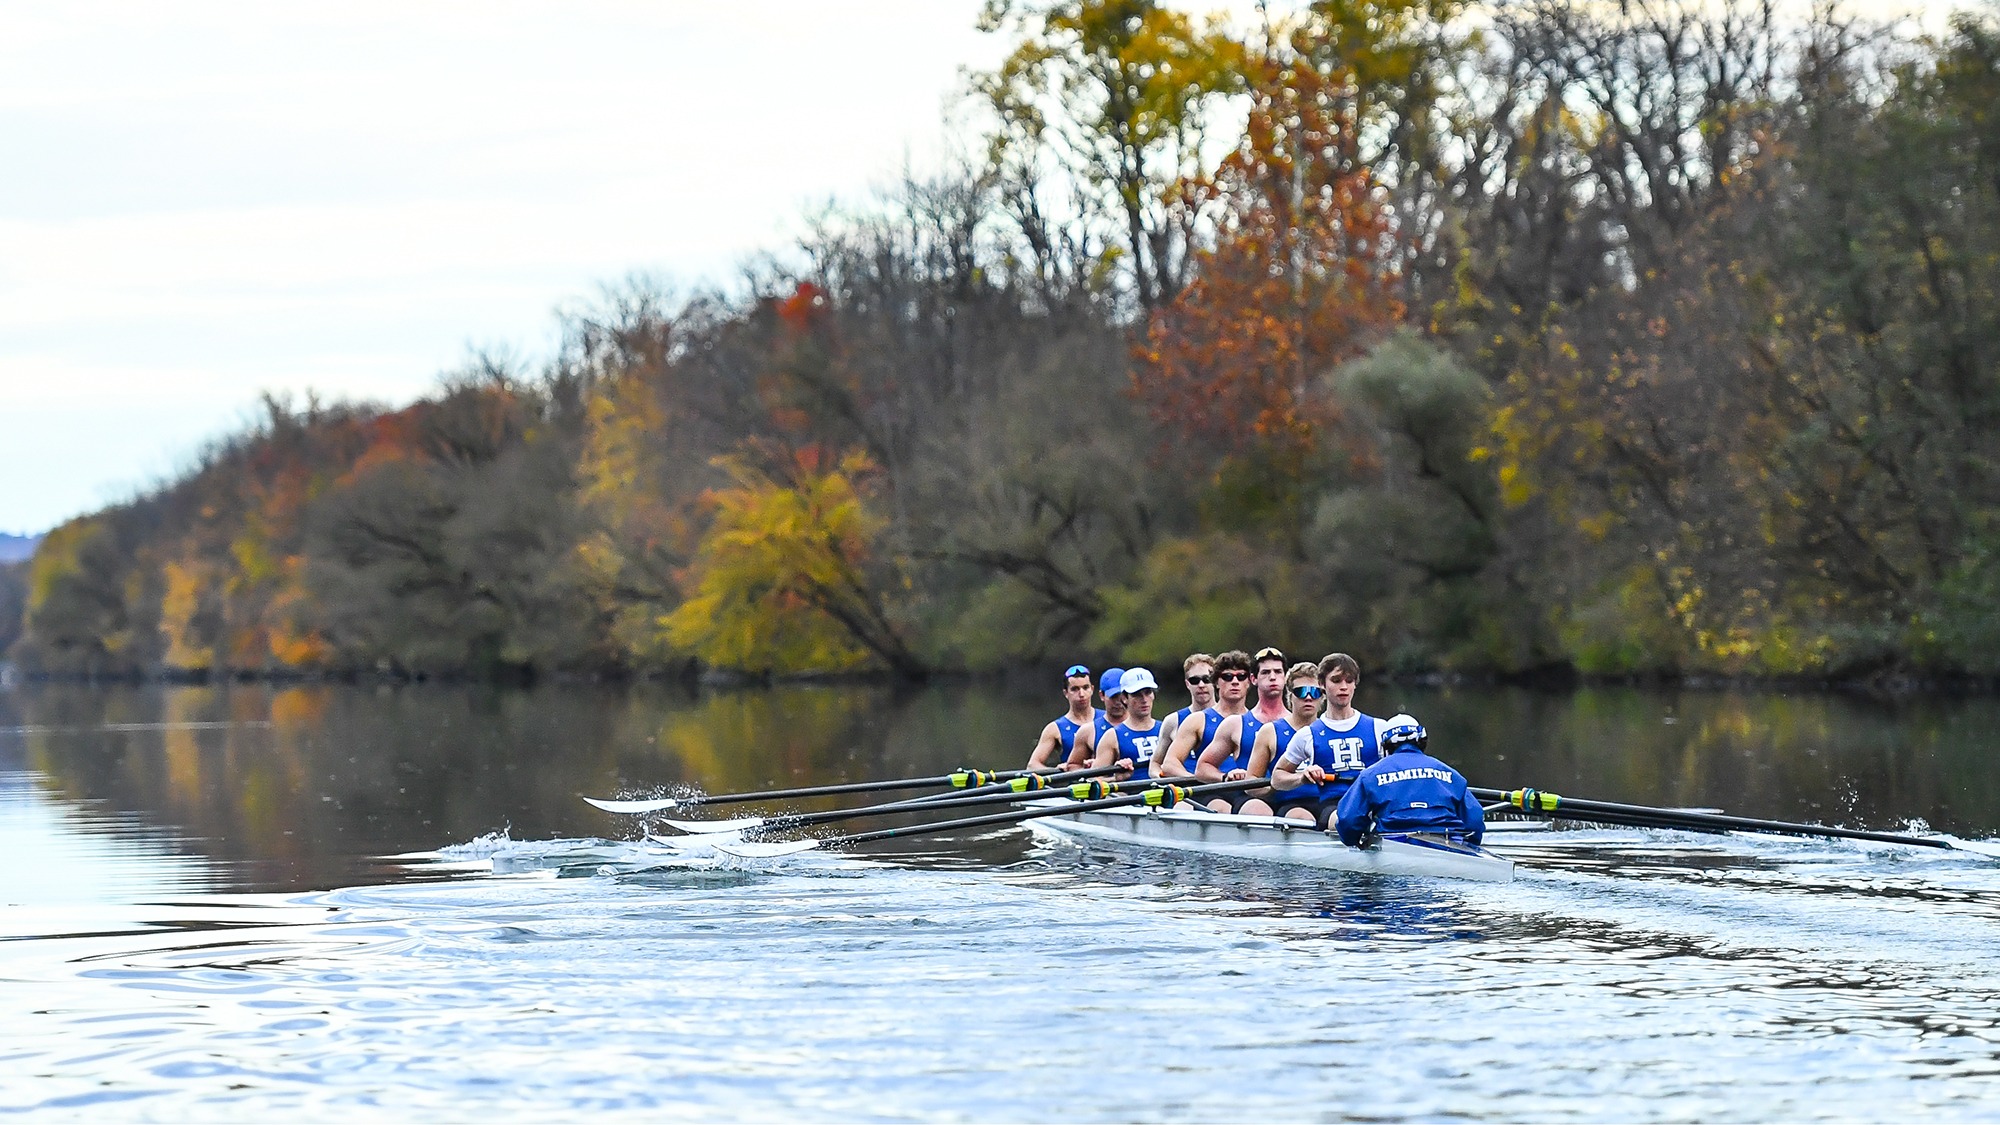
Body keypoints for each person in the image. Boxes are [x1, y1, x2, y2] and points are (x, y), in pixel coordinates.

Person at [1271, 652, 1389, 828]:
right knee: (1346, 821)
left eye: (1349, 681)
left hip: (1373, 801)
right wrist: (1302, 778)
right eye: (1336, 681)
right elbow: (1277, 778)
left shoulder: (1379, 728)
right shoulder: (1307, 735)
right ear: (1321, 684)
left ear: (1355, 685)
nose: (1344, 687)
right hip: (1335, 805)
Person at [1334, 714, 1485, 846]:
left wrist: (1356, 842)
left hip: (1394, 846)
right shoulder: (1451, 774)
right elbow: (1475, 819)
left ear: (1386, 745)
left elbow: (1348, 820)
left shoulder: (1370, 776)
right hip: (1449, 844)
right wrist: (1470, 846)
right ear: (1422, 741)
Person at [1215, 661, 1323, 817]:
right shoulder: (1270, 731)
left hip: (1327, 803)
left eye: (1315, 692)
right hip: (1289, 804)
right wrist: (1277, 785)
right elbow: (1250, 784)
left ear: (1322, 696)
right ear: (1289, 695)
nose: (1308, 697)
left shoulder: (1331, 729)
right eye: (1300, 692)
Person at [1193, 646, 1290, 813]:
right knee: (1259, 811)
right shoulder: (1236, 724)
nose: (1272, 677)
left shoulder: (1301, 724)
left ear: (1286, 677)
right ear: (1253, 679)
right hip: (1250, 798)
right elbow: (1202, 768)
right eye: (1266, 673)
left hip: (1292, 798)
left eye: (1278, 672)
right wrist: (1225, 777)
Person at [1157, 649, 1251, 784]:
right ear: (1216, 682)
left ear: (1249, 681)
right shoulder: (1197, 720)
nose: (1235, 682)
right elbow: (1169, 764)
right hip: (1212, 792)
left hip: (1251, 791)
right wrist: (1199, 780)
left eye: (1241, 677)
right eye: (1227, 677)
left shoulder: (1259, 721)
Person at [1025, 664, 1101, 771]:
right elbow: (1032, 765)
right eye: (1075, 689)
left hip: (1106, 782)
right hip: (1074, 784)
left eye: (1085, 687)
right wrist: (1056, 771)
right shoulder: (1055, 729)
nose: (1081, 694)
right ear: (1066, 693)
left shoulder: (1107, 718)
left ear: (1092, 689)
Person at [1093, 667, 1163, 780]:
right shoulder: (1112, 737)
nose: (1144, 699)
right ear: (1125, 698)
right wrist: (1116, 778)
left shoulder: (1167, 728)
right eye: (1137, 694)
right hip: (1131, 795)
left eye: (1148, 692)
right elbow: (1093, 780)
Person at [1150, 653, 1215, 774]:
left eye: (1207, 679)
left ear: (1215, 681)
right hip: (1187, 788)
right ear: (1187, 684)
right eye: (1194, 680)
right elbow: (1155, 764)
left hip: (1222, 785)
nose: (1201, 685)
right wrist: (1162, 779)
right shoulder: (1172, 721)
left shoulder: (1231, 718)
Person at [1061, 667, 1127, 769]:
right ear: (1102, 696)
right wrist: (1091, 768)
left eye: (1122, 696)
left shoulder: (1154, 727)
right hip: (1105, 783)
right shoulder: (1088, 731)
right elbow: (1073, 766)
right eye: (1114, 697)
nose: (1119, 702)